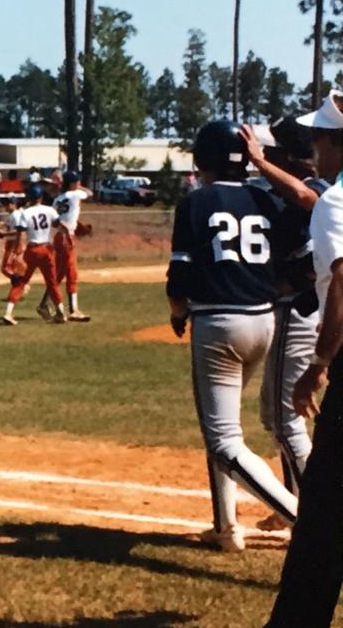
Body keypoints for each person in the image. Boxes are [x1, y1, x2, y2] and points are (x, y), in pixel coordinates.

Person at [167, 119, 296, 554]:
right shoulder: (266, 198)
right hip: (264, 320)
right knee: (222, 431)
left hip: (219, 323)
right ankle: (227, 527)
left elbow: (179, 276)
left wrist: (177, 312)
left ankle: (307, 521)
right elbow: (286, 267)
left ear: (203, 157)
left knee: (224, 438)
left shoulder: (197, 201)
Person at [264, 93, 343, 625]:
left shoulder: (337, 202)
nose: (314, 148)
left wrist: (318, 365)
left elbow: (342, 280)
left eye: (319, 138)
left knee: (322, 515)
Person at [239, 117, 327, 531]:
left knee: (287, 418)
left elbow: (305, 195)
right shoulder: (281, 197)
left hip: (299, 312)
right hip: (287, 309)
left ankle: (316, 515)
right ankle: (291, 503)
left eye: (273, 153)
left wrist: (258, 162)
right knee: (274, 416)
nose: (266, 157)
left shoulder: (323, 189)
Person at [2, 184, 65, 326]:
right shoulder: (49, 210)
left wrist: (18, 251)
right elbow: (58, 225)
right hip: (47, 249)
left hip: (32, 249)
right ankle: (61, 312)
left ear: (29, 197)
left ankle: (8, 313)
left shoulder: (26, 212)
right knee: (52, 282)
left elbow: (21, 232)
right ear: (41, 197)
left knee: (21, 281)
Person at [49, 172, 93, 322]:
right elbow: (90, 193)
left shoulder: (57, 199)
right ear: (73, 183)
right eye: (77, 181)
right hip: (67, 236)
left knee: (61, 273)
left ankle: (46, 304)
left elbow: (56, 220)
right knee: (71, 273)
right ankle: (73, 310)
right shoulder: (75, 194)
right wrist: (80, 187)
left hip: (58, 236)